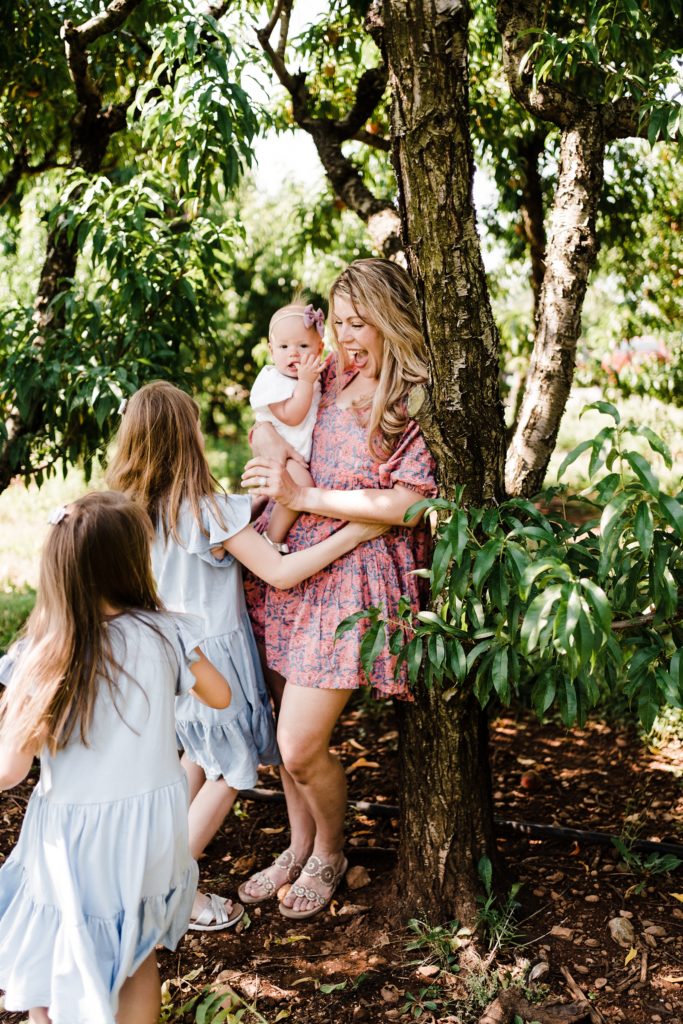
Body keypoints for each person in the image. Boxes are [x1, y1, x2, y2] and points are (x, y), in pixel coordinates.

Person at [106, 380, 386, 931]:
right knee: (230, 772)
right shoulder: (204, 508)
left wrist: (264, 501)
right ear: (190, 439)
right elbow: (278, 569)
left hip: (171, 662)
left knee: (194, 758)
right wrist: (355, 534)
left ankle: (139, 865)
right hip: (219, 668)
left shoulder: (130, 512)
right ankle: (169, 888)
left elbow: (238, 526)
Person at [240, 257, 438, 920]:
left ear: (388, 320)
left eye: (360, 323)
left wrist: (308, 495)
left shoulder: (410, 394)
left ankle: (330, 850)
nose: (347, 335)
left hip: (353, 576)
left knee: (299, 743)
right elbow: (267, 417)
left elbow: (410, 504)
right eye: (341, 321)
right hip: (293, 564)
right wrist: (271, 449)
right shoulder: (329, 376)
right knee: (280, 732)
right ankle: (295, 847)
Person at [0, 491, 231, 1024]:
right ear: (132, 562)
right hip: (150, 832)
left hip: (76, 845)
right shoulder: (165, 633)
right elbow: (220, 697)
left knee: (55, 959)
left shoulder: (44, 655)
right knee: (137, 951)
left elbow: (10, 770)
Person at [249, 302, 325, 549]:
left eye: (303, 346)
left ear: (320, 348)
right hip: (280, 456)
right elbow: (291, 415)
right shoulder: (273, 380)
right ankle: (272, 538)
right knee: (302, 486)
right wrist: (305, 382)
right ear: (271, 350)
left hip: (296, 457)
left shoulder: (313, 376)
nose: (293, 353)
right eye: (283, 347)